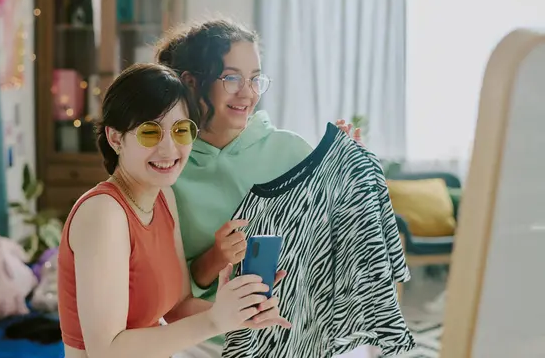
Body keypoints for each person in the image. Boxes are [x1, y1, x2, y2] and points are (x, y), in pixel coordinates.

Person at [156, 19, 363, 357]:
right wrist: (217, 256)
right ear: (192, 83)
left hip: (297, 332)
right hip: (211, 341)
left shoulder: (292, 151)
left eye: (255, 79)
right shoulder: (170, 170)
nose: (248, 93)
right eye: (232, 78)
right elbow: (175, 298)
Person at [56, 63, 290, 358]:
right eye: (150, 133)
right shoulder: (104, 213)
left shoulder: (163, 197)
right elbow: (107, 350)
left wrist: (242, 312)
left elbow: (180, 307)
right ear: (116, 139)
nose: (169, 149)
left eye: (181, 131)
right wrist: (215, 320)